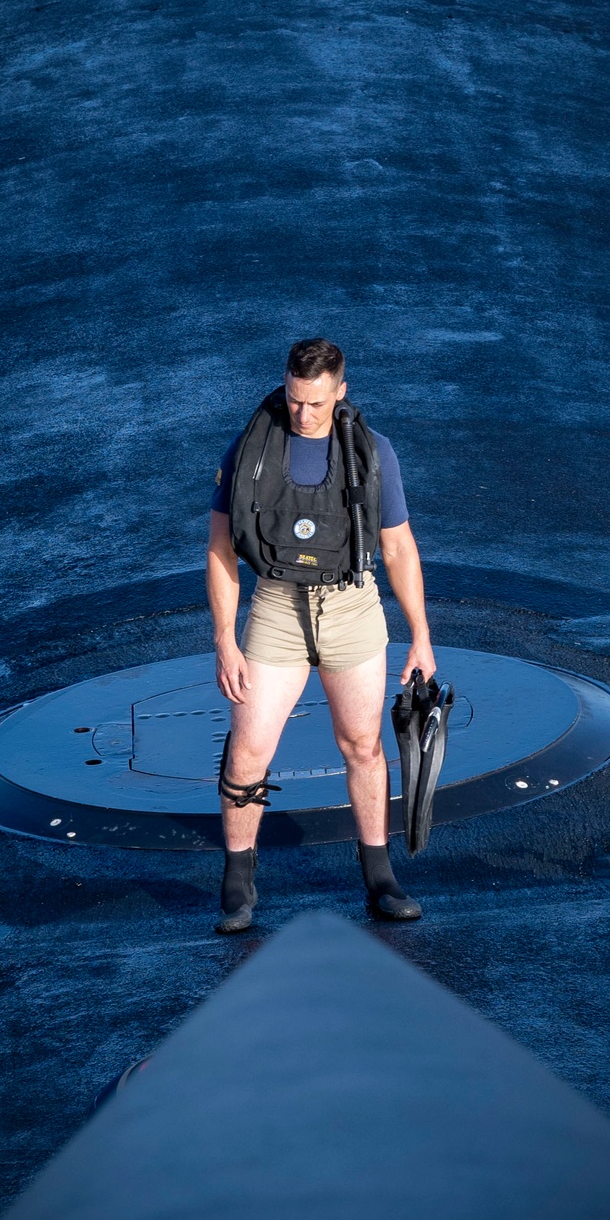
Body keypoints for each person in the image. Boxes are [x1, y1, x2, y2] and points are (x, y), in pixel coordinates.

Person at [206, 336, 437, 934]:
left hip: (351, 607)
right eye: (293, 399)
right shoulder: (249, 450)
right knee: (249, 746)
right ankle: (237, 883)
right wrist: (225, 640)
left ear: (341, 391)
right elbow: (220, 550)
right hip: (277, 608)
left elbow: (398, 549)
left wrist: (420, 637)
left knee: (363, 746)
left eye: (315, 403)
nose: (303, 414)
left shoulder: (373, 452)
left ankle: (380, 878)